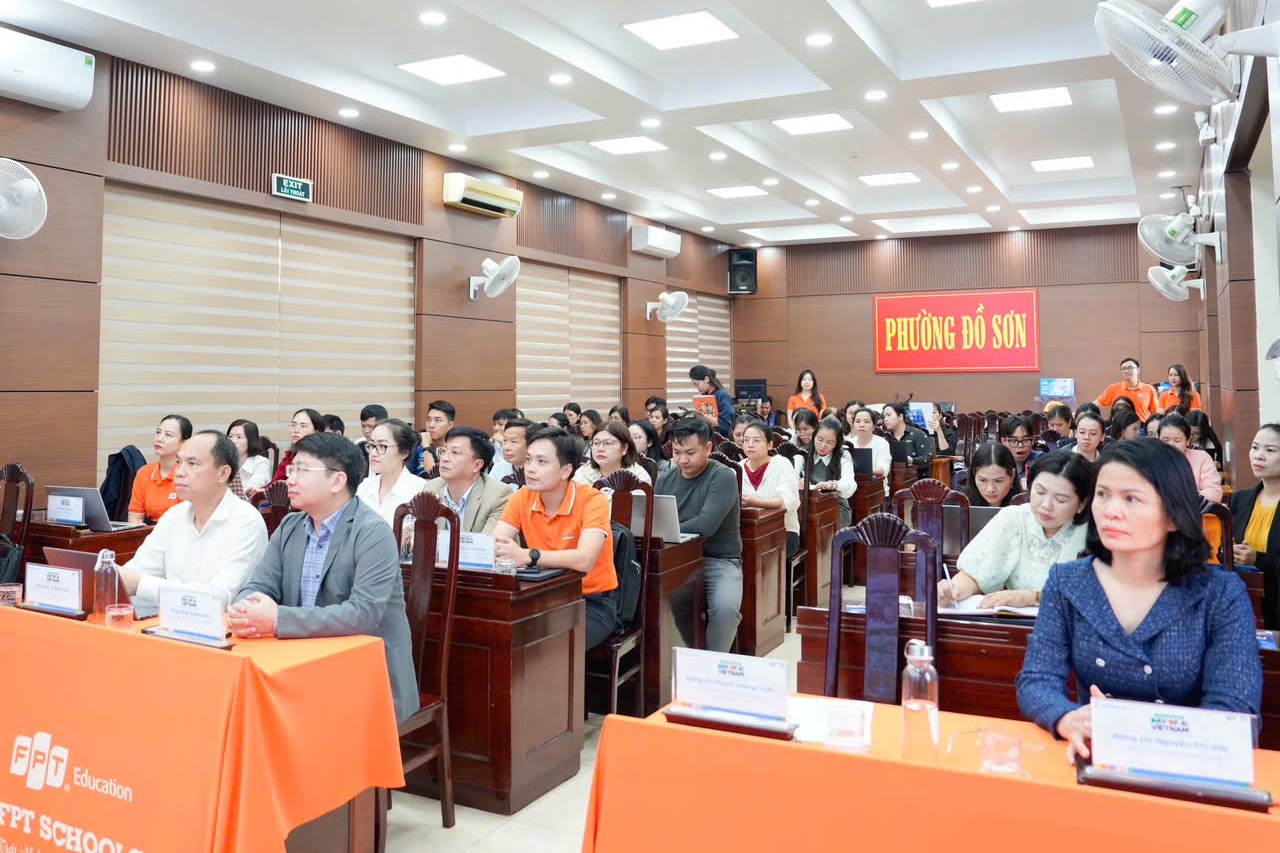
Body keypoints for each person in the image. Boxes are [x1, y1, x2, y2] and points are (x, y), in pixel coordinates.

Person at [1016, 439, 1261, 758]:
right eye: (1103, 495)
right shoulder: (1068, 582)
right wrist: (1066, 716)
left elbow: (1235, 709)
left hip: (1189, 763)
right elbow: (1037, 679)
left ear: (1173, 515)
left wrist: (1135, 728)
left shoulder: (1219, 594)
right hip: (1095, 756)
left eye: (1131, 499)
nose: (1110, 511)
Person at [229, 432, 419, 724]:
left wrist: (277, 619)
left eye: (301, 470)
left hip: (362, 673)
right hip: (300, 661)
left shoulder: (372, 532)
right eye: (291, 469)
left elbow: (363, 614)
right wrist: (246, 609)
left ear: (337, 481)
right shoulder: (290, 526)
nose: (289, 479)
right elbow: (258, 584)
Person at [494, 428, 618, 649]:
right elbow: (495, 543)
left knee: (543, 646)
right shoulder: (522, 496)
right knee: (494, 632)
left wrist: (529, 556)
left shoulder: (593, 500)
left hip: (590, 601)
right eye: (529, 459)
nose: (530, 468)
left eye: (542, 462)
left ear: (565, 470)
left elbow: (584, 560)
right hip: (540, 596)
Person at [120, 431, 268, 605]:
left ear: (223, 474)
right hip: (171, 617)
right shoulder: (174, 516)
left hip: (227, 621)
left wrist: (140, 584)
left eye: (192, 464)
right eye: (178, 462)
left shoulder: (246, 522)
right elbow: (136, 571)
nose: (179, 472)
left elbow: (218, 598)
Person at [941, 452, 1092, 608]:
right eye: (1040, 492)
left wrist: (1032, 597)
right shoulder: (1014, 517)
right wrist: (953, 590)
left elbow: (1094, 598)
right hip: (1014, 620)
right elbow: (975, 575)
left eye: (1060, 499)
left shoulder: (1094, 533)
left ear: (1082, 503)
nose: (1046, 505)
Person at [656, 418, 743, 652]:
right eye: (676, 452)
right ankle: (690, 656)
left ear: (708, 448)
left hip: (717, 559)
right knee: (662, 604)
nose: (682, 460)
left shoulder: (722, 476)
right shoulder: (664, 479)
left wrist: (669, 530)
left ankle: (712, 663)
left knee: (725, 609)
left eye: (690, 453)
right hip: (677, 561)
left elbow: (705, 525)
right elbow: (655, 522)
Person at [1231, 424, 1280, 627]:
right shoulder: (1238, 500)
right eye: (1255, 447)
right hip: (1245, 609)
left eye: (1270, 450)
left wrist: (1257, 559)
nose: (1258, 456)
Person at [423, 426, 511, 534]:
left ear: (477, 465)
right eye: (444, 451)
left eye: (455, 453)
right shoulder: (431, 488)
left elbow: (489, 542)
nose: (444, 459)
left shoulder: (498, 496)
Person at [739, 420, 801, 560]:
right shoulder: (738, 467)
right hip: (748, 531)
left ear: (769, 445)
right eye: (746, 440)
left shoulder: (782, 464)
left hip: (783, 531)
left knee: (756, 552)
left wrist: (755, 502)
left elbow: (788, 501)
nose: (750, 445)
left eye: (756, 440)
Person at [355, 418, 426, 526]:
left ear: (404, 452)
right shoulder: (364, 487)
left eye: (382, 446)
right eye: (371, 445)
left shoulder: (420, 490)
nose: (373, 453)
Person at [129, 413, 194, 524]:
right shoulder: (144, 473)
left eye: (168, 435)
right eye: (158, 432)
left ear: (184, 442)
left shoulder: (190, 475)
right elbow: (135, 517)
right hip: (150, 532)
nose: (159, 438)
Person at [1157, 413, 1223, 503]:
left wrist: (1183, 500)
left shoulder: (1201, 458)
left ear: (1188, 440)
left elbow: (1214, 492)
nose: (1171, 445)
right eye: (1165, 440)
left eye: (1177, 440)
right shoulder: (1150, 459)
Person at [574, 421, 652, 486]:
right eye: (596, 443)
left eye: (608, 443)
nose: (600, 449)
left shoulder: (639, 478)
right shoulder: (582, 474)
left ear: (624, 448)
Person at [811, 417, 855, 527]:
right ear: (814, 436)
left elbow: (850, 484)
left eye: (829, 443)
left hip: (836, 506)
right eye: (819, 440)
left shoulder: (843, 456)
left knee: (821, 521)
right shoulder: (803, 453)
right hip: (808, 504)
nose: (823, 446)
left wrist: (833, 485)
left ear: (837, 443)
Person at [1095, 357, 1160, 421]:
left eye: (1130, 368)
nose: (1126, 371)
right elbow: (1095, 404)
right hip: (1120, 426)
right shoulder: (1113, 388)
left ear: (1138, 370)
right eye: (1124, 369)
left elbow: (1156, 412)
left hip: (1142, 425)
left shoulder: (1149, 389)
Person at [270, 408, 324, 484]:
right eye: (293, 425)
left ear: (316, 432)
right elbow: (276, 483)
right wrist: (261, 490)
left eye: (303, 426)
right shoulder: (290, 455)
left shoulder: (324, 458)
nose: (296, 430)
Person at [883, 402, 934, 479]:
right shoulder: (885, 438)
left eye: (888, 415)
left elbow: (927, 458)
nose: (885, 419)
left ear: (900, 416)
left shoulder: (917, 434)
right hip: (891, 479)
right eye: (884, 417)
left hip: (917, 480)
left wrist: (912, 460)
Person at [963, 443, 1021, 508]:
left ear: (1012, 476)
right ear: (974, 475)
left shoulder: (1026, 507)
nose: (990, 489)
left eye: (998, 481)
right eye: (982, 480)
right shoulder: (958, 501)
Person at [848, 407, 891, 483]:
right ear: (853, 424)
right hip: (852, 487)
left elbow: (884, 470)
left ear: (874, 426)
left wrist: (861, 470)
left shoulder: (882, 443)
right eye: (858, 421)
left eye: (867, 422)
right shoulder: (848, 443)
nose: (862, 425)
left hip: (876, 486)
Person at [689, 364, 734, 437]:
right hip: (707, 434)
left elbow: (727, 424)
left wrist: (703, 417)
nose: (697, 388)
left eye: (697, 384)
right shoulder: (704, 396)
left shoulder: (722, 395)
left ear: (706, 379)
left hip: (720, 436)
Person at [227, 419, 271, 493]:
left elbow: (251, 492)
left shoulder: (261, 463)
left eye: (239, 437)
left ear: (251, 440)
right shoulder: (224, 462)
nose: (233, 441)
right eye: (230, 436)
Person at [417, 400, 456, 476]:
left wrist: (426, 448)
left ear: (450, 425)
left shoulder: (455, 451)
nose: (431, 425)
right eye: (428, 420)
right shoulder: (417, 447)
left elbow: (433, 477)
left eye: (438, 420)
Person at [491, 417, 534, 484]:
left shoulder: (539, 471)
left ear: (531, 444)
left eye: (514, 441)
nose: (506, 447)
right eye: (505, 440)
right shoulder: (498, 469)